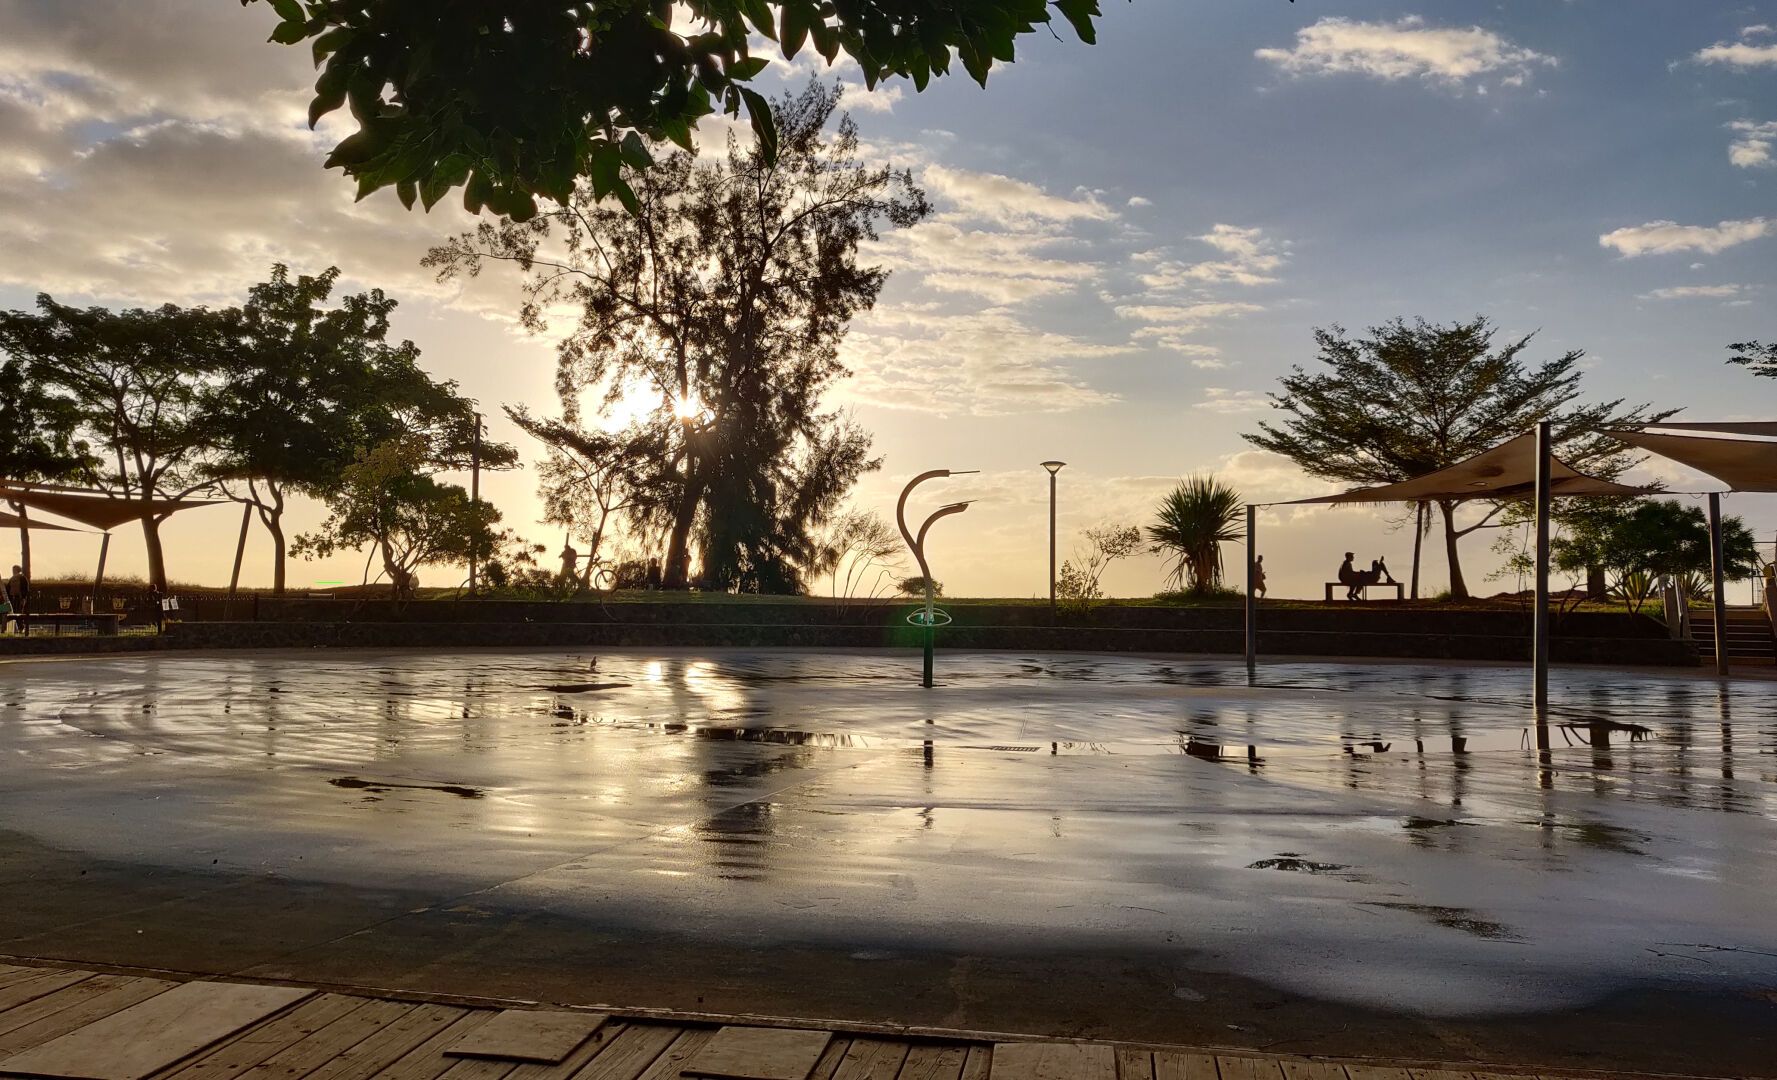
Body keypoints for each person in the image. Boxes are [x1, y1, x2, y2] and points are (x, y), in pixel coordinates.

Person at [4, 564, 27, 632]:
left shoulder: (21, 578)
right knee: (14, 612)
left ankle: (20, 628)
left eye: (14, 570)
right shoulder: (14, 578)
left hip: (18, 598)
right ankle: (18, 628)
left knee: (17, 612)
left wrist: (23, 598)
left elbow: (25, 588)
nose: (13, 571)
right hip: (14, 598)